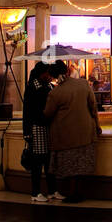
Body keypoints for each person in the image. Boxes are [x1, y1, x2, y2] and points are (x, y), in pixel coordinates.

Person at [43, 60, 101, 203]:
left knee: (70, 166)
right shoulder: (83, 84)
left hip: (66, 135)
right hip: (86, 132)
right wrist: (97, 126)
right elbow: (93, 107)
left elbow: (47, 114)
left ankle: (72, 193)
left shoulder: (55, 93)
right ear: (67, 71)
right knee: (81, 164)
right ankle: (79, 192)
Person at [22, 62, 56, 202]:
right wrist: (27, 132)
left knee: (49, 161)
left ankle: (52, 190)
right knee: (38, 162)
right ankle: (35, 192)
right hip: (37, 128)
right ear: (41, 73)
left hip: (48, 127)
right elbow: (27, 111)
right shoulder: (32, 88)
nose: (49, 76)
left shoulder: (49, 86)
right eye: (47, 73)